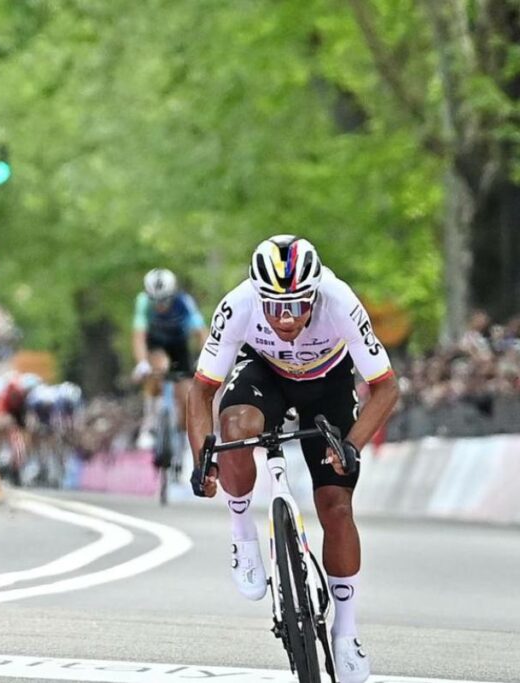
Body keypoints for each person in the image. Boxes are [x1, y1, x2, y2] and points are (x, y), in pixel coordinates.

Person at [187, 235, 400, 683]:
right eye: (275, 306)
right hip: (265, 372)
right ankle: (242, 531)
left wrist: (352, 445)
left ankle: (345, 631)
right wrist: (202, 459)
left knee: (337, 507)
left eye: (299, 305)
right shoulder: (238, 305)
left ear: (315, 293)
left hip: (328, 382)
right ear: (257, 295)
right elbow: (202, 389)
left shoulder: (339, 300)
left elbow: (386, 386)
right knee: (234, 430)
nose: (286, 318)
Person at [131, 268, 207, 456]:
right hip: (156, 345)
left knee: (188, 396)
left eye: (164, 300)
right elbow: (138, 336)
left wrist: (205, 359)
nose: (160, 305)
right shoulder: (143, 302)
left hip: (179, 346)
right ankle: (149, 424)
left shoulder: (184, 302)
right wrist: (141, 363)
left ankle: (182, 438)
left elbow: (201, 333)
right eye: (155, 300)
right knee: (158, 367)